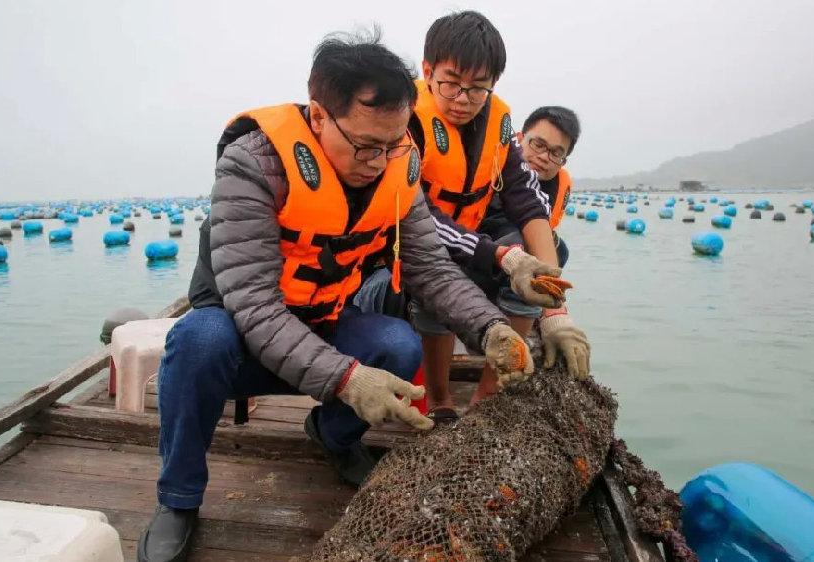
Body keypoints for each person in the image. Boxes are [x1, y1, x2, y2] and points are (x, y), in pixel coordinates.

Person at [137, 30, 532, 562]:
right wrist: (347, 378)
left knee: (398, 344)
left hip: (325, 321)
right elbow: (253, 307)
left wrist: (492, 329)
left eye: (392, 145)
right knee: (197, 338)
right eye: (366, 146)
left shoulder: (397, 163)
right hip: (244, 342)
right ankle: (179, 497)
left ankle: (334, 435)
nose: (379, 160)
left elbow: (431, 270)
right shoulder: (253, 165)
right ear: (320, 116)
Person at [411, 11, 589, 418]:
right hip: (415, 251)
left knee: (538, 252)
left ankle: (486, 400)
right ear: (427, 70)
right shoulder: (406, 121)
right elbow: (415, 216)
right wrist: (502, 256)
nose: (462, 99)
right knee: (436, 275)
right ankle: (438, 398)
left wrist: (556, 306)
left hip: (474, 243)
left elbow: (526, 201)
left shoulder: (498, 127)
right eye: (450, 83)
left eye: (477, 89)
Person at [471, 105, 582, 401]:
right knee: (523, 246)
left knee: (558, 247)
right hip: (472, 258)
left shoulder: (556, 187)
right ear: (520, 137)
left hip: (512, 278)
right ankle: (485, 390)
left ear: (564, 160)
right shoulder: (494, 165)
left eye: (556, 153)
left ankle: (524, 332)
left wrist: (556, 313)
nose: (544, 157)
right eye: (538, 144)